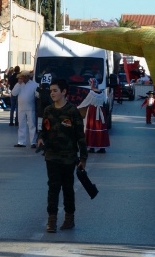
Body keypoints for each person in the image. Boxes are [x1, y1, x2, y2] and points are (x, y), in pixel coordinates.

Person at [36, 79, 87, 233]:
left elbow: (80, 136)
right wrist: (40, 138)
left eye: (55, 90)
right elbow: (44, 129)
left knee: (67, 188)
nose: (52, 93)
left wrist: (83, 158)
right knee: (53, 188)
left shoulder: (72, 111)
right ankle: (51, 221)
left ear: (64, 92)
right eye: (51, 91)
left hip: (69, 157)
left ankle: (69, 218)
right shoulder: (48, 110)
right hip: (51, 156)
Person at [77, 78, 109, 153]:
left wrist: (78, 107)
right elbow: (105, 101)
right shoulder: (102, 93)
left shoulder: (91, 93)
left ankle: (91, 147)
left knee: (91, 127)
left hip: (93, 112)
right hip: (101, 112)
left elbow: (86, 102)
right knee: (100, 128)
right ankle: (102, 147)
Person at [11, 72, 38, 148]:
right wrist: (18, 84)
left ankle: (33, 142)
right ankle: (21, 142)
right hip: (21, 108)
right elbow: (14, 93)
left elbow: (37, 94)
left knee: (32, 125)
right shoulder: (19, 85)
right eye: (22, 77)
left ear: (28, 77)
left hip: (30, 108)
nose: (23, 78)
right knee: (21, 125)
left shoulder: (34, 84)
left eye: (25, 76)